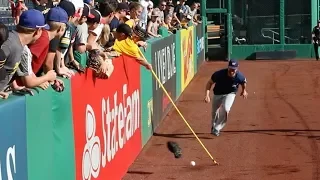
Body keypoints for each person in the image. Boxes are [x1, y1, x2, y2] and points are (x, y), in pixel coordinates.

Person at [0, 9, 48, 98]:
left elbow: (8, 66)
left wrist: (13, 85)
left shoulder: (21, 45)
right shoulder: (9, 43)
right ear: (38, 31)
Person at [204, 59, 248, 136]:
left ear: (237, 69)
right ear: (228, 67)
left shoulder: (239, 76)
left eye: (234, 69)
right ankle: (214, 126)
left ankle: (217, 128)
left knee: (226, 109)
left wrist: (244, 90)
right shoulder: (219, 74)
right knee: (214, 112)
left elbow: (243, 82)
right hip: (217, 93)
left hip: (230, 93)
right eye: (230, 68)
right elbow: (209, 83)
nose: (232, 71)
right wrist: (207, 95)